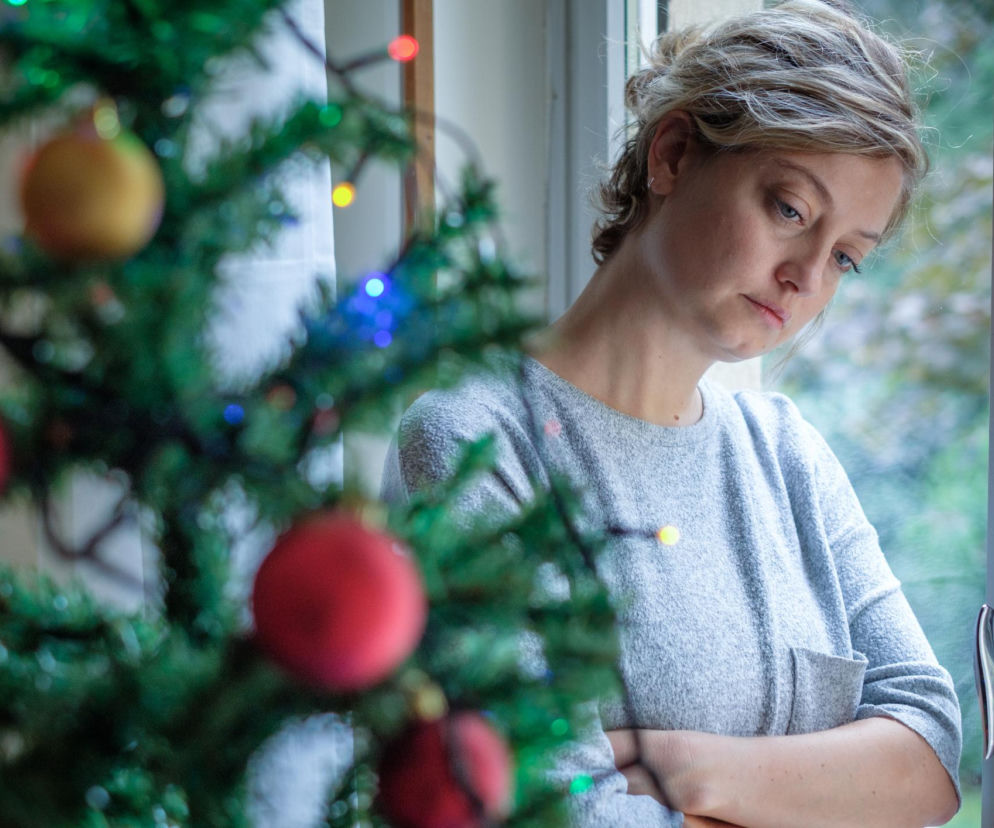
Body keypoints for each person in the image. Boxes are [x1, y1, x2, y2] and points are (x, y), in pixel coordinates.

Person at [381, 0, 963, 825]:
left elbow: (932, 753)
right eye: (790, 209)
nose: (805, 277)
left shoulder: (789, 455)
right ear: (675, 153)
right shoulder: (473, 444)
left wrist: (679, 768)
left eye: (845, 257)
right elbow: (551, 811)